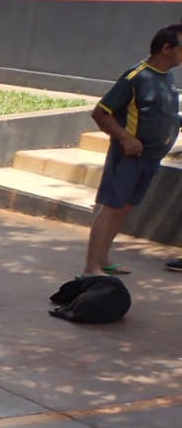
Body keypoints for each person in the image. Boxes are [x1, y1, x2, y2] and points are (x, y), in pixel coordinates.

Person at [80, 24, 182, 280]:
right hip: (129, 158)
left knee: (124, 208)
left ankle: (104, 259)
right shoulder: (135, 77)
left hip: (151, 158)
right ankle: (91, 267)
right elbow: (101, 112)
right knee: (111, 208)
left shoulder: (167, 77)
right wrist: (125, 138)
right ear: (166, 48)